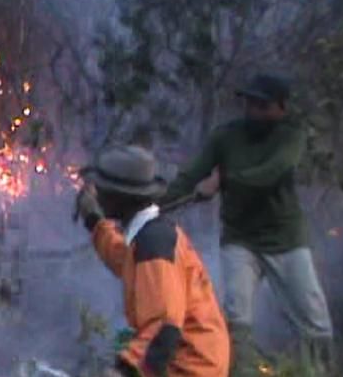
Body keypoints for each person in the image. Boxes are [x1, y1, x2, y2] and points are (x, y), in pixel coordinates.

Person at [159, 73, 335, 376]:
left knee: (315, 319)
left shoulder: (291, 136)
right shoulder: (226, 136)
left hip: (286, 239)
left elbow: (271, 173)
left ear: (280, 108)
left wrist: (222, 180)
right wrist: (156, 205)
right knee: (236, 315)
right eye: (250, 103)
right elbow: (191, 175)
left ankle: (321, 372)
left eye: (262, 105)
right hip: (240, 239)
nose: (253, 111)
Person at [75, 145, 230, 377]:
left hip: (192, 368)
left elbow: (165, 325)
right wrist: (94, 221)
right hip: (186, 360)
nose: (96, 194)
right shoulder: (148, 237)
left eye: (102, 190)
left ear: (121, 198)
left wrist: (124, 369)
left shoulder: (154, 243)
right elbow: (123, 260)